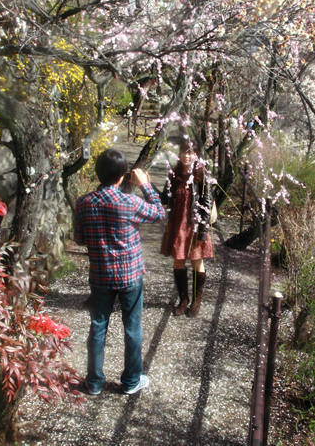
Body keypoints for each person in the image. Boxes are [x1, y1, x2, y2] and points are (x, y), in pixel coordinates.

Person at [75, 148, 165, 395]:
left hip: (100, 275)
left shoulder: (83, 203)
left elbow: (80, 238)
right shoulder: (129, 202)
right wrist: (146, 185)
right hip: (129, 275)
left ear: (98, 172)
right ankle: (131, 381)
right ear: (123, 175)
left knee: (98, 326)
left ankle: (93, 382)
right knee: (132, 327)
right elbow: (159, 213)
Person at [160, 138, 214, 317]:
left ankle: (196, 301)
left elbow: (206, 203)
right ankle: (183, 300)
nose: (187, 156)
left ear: (196, 155)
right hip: (177, 225)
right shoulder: (173, 174)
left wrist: (203, 231)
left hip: (195, 225)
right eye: (184, 151)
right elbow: (164, 197)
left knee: (197, 261)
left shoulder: (202, 176)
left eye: (191, 152)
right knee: (178, 261)